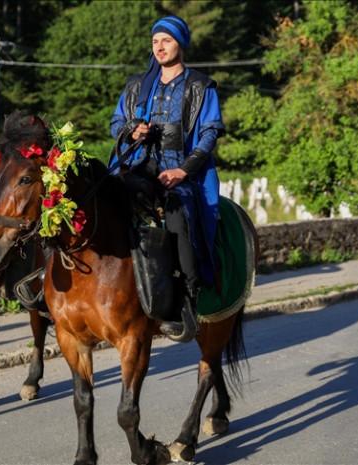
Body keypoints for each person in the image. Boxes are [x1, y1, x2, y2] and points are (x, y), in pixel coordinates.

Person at [110, 16, 224, 341]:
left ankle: (187, 298)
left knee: (177, 214)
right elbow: (116, 122)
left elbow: (209, 133)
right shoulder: (136, 86)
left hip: (182, 170)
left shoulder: (201, 86)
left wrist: (183, 170)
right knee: (111, 195)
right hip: (140, 167)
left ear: (181, 44)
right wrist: (131, 130)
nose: (159, 47)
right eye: (155, 41)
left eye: (167, 41)